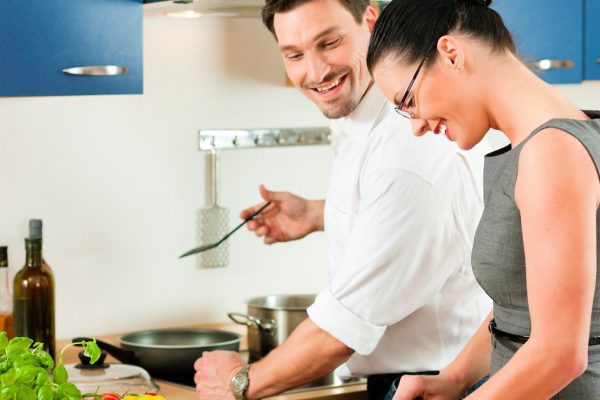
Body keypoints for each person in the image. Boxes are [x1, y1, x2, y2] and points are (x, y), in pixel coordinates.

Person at [193, 0, 492, 398]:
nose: (315, 72)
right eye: (295, 55)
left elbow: (342, 329)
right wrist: (319, 214)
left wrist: (240, 382)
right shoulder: (362, 119)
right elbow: (410, 223)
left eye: (329, 42)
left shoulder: (405, 147)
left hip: (436, 384)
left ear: (370, 21)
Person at [366, 0, 600, 398]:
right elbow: (528, 304)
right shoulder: (557, 137)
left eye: (409, 102)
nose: (418, 126)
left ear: (451, 54)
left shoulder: (551, 153)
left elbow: (559, 353)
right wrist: (455, 378)